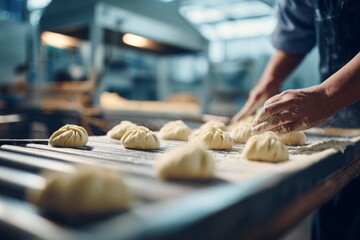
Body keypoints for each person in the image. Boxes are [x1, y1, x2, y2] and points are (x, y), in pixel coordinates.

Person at [232, 1, 360, 240]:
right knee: (336, 221)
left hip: (335, 103)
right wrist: (268, 82)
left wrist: (328, 95)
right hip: (343, 133)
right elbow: (297, 24)